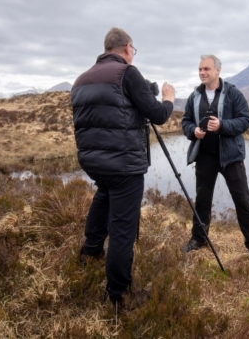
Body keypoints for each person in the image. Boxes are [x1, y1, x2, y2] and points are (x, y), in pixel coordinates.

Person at [71, 27, 175, 307]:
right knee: (122, 229)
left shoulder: (81, 80)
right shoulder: (127, 73)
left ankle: (90, 251)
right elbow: (157, 114)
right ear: (127, 48)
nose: (133, 55)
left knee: (103, 195)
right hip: (124, 164)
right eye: (133, 51)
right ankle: (119, 294)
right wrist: (168, 98)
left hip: (94, 161)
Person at [180, 54, 249, 261]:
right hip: (205, 157)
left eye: (206, 69)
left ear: (217, 70)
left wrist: (222, 126)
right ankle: (198, 239)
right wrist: (193, 131)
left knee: (242, 200)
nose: (202, 72)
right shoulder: (194, 96)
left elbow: (245, 120)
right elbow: (185, 122)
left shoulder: (233, 93)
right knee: (202, 200)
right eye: (200, 69)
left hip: (230, 157)